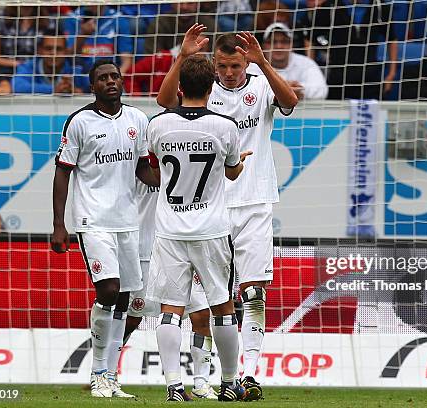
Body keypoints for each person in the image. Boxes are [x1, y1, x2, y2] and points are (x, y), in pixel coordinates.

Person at [157, 25, 298, 401]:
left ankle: (247, 375)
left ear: (244, 62)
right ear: (214, 65)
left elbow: (291, 102)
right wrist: (184, 57)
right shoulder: (205, 90)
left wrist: (264, 64)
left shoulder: (260, 83)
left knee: (252, 293)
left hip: (254, 201)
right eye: (223, 65)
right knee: (206, 304)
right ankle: (203, 377)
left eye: (235, 65)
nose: (230, 72)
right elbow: (165, 99)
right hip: (212, 209)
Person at [51, 60, 159, 398]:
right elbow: (63, 171)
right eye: (102, 78)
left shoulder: (137, 119)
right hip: (92, 221)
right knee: (109, 290)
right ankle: (98, 371)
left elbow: (143, 168)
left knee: (125, 300)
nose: (110, 82)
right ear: (92, 86)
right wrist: (59, 224)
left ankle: (111, 375)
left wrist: (173, 183)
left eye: (114, 76)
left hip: (129, 222)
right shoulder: (80, 122)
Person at [148, 54, 252, 402]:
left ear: (180, 87)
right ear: (211, 87)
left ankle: (173, 386)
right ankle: (227, 383)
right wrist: (240, 164)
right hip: (210, 229)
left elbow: (154, 160)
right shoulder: (225, 127)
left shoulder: (158, 125)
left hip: (170, 230)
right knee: (222, 306)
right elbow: (233, 171)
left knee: (170, 309)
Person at [123, 178, 219, 399]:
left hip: (185, 243)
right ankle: (106, 372)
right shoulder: (142, 154)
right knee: (132, 317)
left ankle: (201, 383)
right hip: (145, 248)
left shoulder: (189, 154)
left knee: (202, 314)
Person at [303, 0, 399, 100]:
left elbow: (392, 39)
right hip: (338, 79)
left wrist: (391, 74)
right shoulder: (330, 6)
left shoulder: (380, 6)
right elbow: (310, 38)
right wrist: (312, 69)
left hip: (370, 80)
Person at [247, 22, 328, 100]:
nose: (278, 46)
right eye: (273, 42)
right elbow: (247, 91)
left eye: (284, 41)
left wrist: (300, 90)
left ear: (291, 45)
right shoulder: (254, 65)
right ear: (263, 46)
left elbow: (322, 91)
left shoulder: (306, 63)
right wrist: (285, 89)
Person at [12, 29, 90, 94]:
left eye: (59, 49)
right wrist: (54, 89)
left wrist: (78, 91)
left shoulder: (78, 67)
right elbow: (17, 86)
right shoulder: (29, 66)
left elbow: (94, 88)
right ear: (40, 50)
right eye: (48, 48)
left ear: (66, 51)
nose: (53, 53)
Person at [63, 6, 134, 74]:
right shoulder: (73, 18)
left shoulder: (118, 19)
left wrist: (115, 78)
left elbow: (126, 61)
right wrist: (83, 35)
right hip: (80, 76)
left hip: (109, 74)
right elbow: (69, 55)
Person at [143, 1, 216, 56]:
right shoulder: (159, 23)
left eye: (190, 3)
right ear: (172, 3)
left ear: (198, 4)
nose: (184, 7)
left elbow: (217, 56)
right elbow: (151, 56)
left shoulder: (209, 24)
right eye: (180, 3)